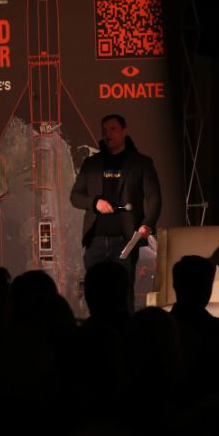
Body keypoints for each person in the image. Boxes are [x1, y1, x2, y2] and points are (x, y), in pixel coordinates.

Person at [71, 114, 161, 311]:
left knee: (123, 292)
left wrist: (147, 224)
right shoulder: (91, 163)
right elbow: (75, 196)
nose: (108, 134)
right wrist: (95, 203)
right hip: (95, 240)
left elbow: (154, 198)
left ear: (123, 131)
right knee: (95, 292)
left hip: (125, 240)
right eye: (104, 130)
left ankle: (125, 326)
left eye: (112, 129)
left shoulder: (141, 163)